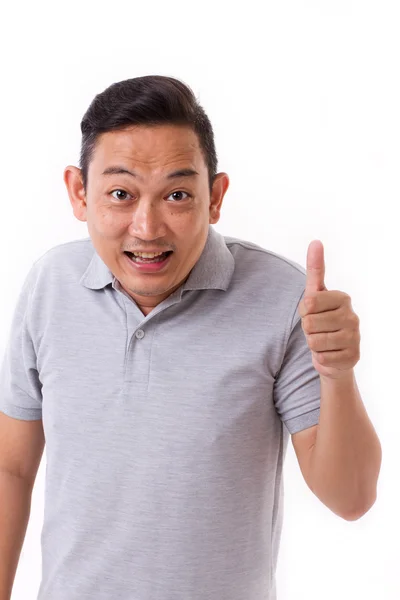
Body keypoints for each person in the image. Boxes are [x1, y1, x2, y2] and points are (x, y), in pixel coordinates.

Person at [0, 75, 381, 600]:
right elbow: (11, 468)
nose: (147, 226)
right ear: (78, 192)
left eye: (177, 194)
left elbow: (352, 498)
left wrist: (338, 375)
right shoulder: (49, 285)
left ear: (215, 197)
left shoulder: (284, 298)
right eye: (120, 193)